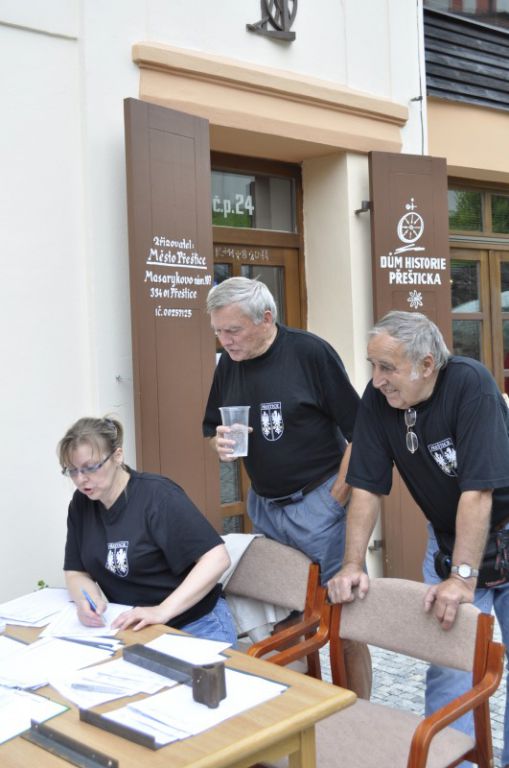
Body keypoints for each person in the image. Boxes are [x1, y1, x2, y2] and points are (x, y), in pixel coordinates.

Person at [327, 310, 509, 767]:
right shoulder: (378, 399)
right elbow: (365, 487)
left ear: (427, 365)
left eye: (387, 367)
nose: (376, 379)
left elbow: (478, 491)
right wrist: (353, 564)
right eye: (373, 366)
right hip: (448, 540)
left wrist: (462, 578)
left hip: (499, 528)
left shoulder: (470, 384)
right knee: (450, 667)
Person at [202, 276, 371, 698]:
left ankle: (357, 710)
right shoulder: (229, 364)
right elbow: (212, 427)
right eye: (218, 332)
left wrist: (337, 496)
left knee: (345, 625)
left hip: (319, 504)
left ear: (266, 318)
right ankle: (302, 710)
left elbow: (363, 431)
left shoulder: (310, 353)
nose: (225, 341)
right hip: (265, 506)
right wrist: (218, 444)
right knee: (285, 619)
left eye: (233, 330)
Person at [59, 416, 237, 644]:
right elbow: (76, 572)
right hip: (138, 627)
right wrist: (88, 601)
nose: (81, 479)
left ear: (117, 456)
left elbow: (217, 558)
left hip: (196, 622)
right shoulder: (81, 503)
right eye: (72, 471)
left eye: (90, 468)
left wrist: (162, 611)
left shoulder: (158, 496)